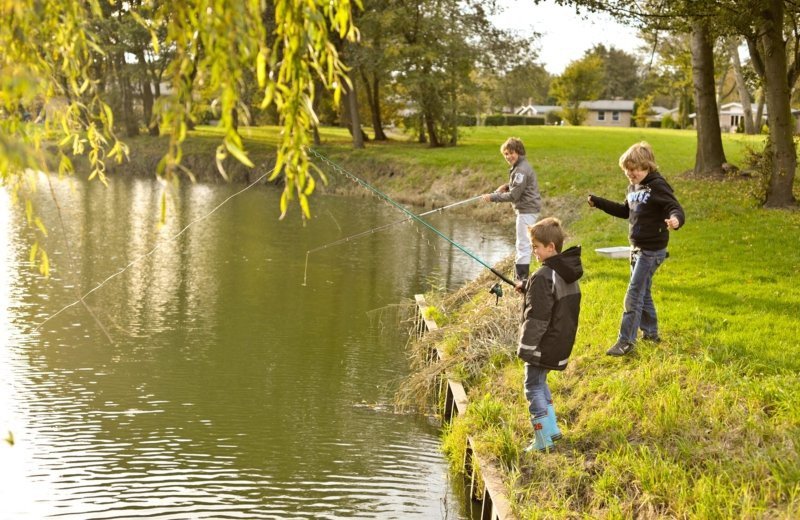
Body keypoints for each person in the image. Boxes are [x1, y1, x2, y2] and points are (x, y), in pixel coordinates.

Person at [587, 141, 685, 357]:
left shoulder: (658, 186)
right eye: (626, 170)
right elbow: (625, 211)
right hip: (637, 249)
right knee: (643, 291)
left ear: (647, 166)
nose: (630, 174)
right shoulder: (633, 187)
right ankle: (650, 333)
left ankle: (626, 342)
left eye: (633, 170)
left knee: (633, 294)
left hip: (652, 251)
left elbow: (674, 207)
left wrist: (676, 220)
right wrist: (599, 202)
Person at [517, 217, 582, 452]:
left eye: (536, 246)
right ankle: (552, 430)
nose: (533, 251)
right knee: (540, 382)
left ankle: (542, 439)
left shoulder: (543, 276)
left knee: (532, 386)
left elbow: (538, 317)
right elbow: (551, 299)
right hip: (559, 341)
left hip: (542, 343)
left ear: (550, 247)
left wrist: (526, 347)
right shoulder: (565, 271)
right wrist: (528, 288)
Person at [482, 137, 542, 283]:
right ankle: (522, 278)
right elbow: (519, 187)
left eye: (511, 153)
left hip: (527, 210)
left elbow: (515, 195)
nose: (508, 157)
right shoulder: (521, 166)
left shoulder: (520, 170)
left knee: (522, 244)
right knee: (525, 243)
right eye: (506, 154)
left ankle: (521, 280)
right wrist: (507, 186)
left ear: (519, 151)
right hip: (529, 209)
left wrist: (493, 197)